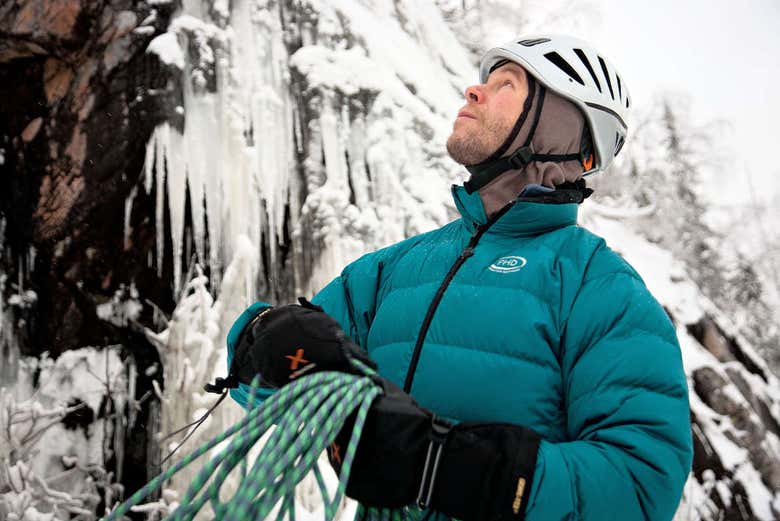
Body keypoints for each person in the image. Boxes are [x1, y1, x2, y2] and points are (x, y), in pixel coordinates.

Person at [218, 35, 693, 520]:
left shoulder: (601, 289)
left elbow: (640, 484)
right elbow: (258, 386)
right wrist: (264, 341)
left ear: (560, 128)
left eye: (505, 85)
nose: (473, 91)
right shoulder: (394, 269)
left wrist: (451, 467)